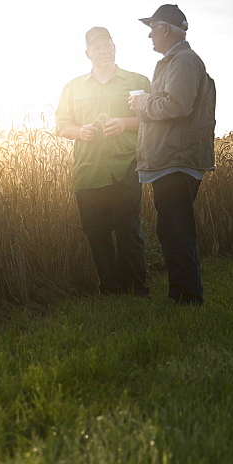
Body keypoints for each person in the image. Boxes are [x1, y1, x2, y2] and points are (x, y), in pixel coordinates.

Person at [128, 4, 216, 305]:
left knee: (176, 232)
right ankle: (183, 295)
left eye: (152, 28)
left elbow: (176, 106)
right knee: (171, 231)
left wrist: (142, 103)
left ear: (165, 28)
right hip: (170, 161)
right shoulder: (173, 62)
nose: (150, 35)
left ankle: (187, 298)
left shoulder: (184, 61)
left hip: (175, 162)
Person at [56, 26, 151, 297]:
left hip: (126, 167)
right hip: (88, 170)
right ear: (88, 53)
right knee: (96, 232)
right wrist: (80, 131)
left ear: (114, 48)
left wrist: (125, 123)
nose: (104, 51)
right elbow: (62, 125)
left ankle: (136, 288)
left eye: (108, 45)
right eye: (97, 48)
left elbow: (153, 119)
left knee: (128, 230)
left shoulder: (138, 81)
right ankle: (110, 288)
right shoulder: (73, 87)